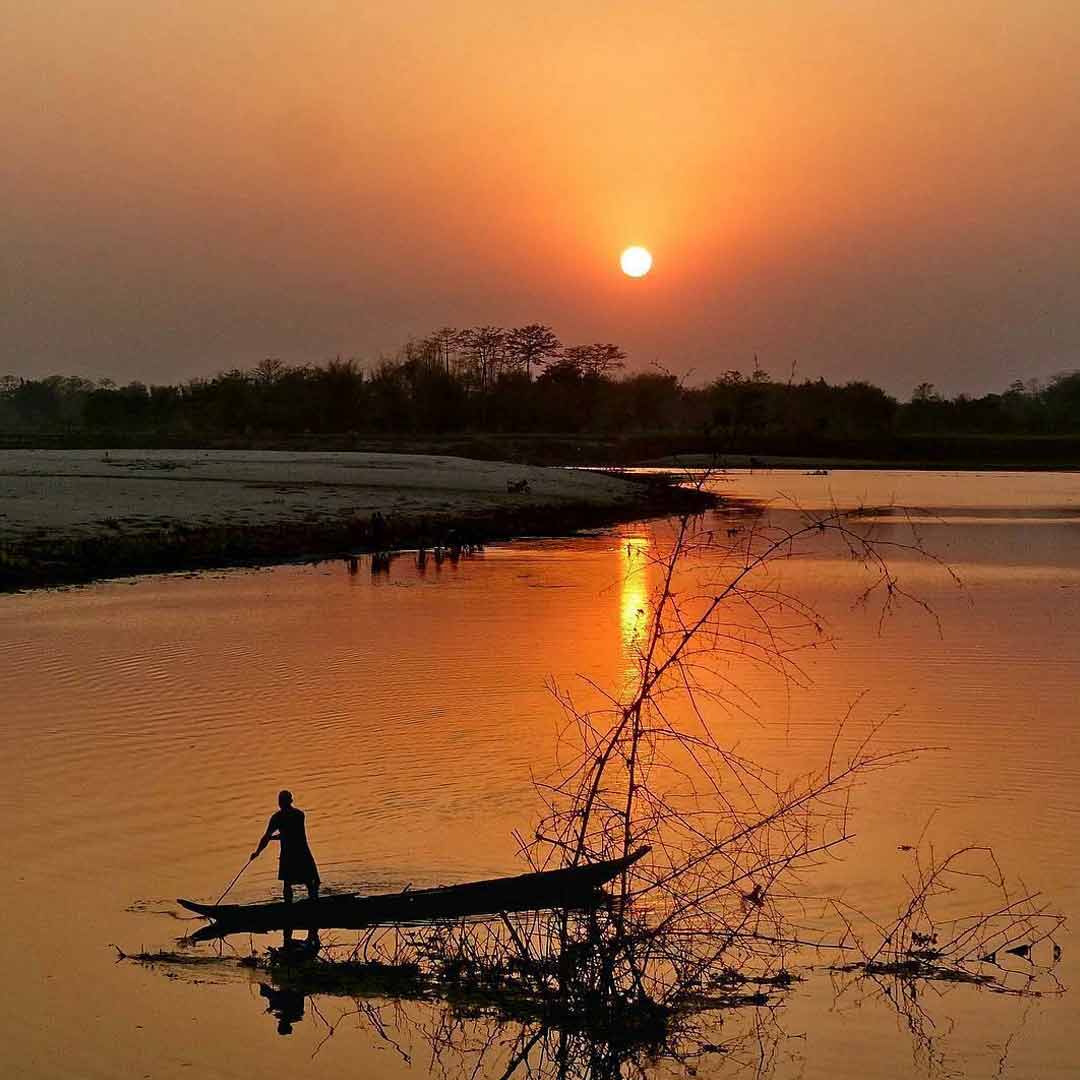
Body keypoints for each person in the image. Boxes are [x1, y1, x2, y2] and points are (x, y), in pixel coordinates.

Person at [250, 790, 320, 903]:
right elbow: (289, 834)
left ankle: (290, 905)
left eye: (280, 801)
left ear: (281, 802)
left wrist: (259, 851)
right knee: (309, 881)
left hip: (290, 853)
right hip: (302, 852)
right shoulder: (299, 814)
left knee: (289, 883)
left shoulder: (278, 817)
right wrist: (261, 848)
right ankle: (313, 902)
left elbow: (273, 836)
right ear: (290, 801)